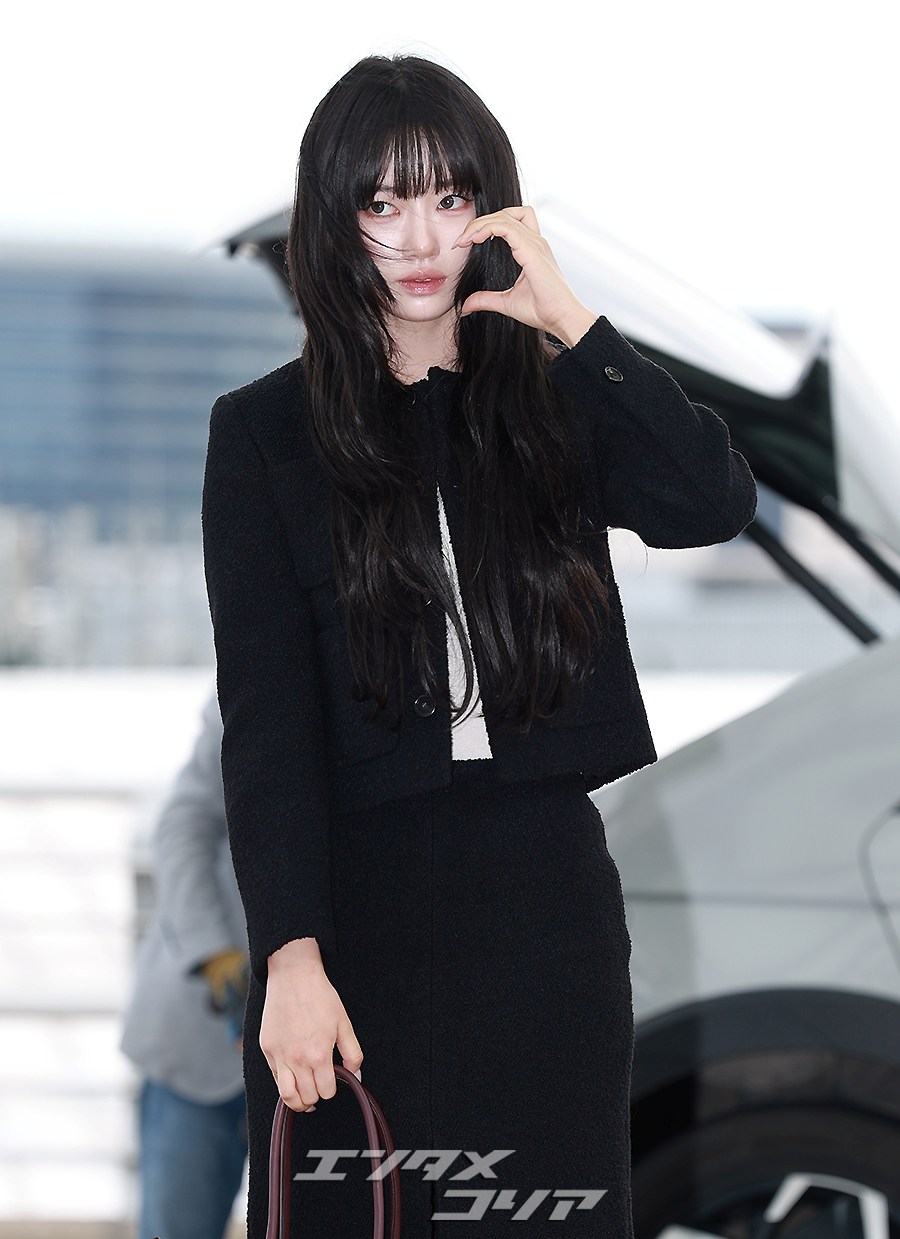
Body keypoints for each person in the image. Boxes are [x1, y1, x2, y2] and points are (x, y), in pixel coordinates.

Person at [201, 53, 757, 1239]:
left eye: (450, 198)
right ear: (336, 218)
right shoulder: (262, 433)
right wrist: (290, 957)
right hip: (351, 922)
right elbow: (266, 727)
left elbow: (711, 503)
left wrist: (575, 323)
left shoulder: (555, 398)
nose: (420, 240)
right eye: (383, 202)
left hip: (544, 911)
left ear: (495, 211)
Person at [120, 688, 250, 1239]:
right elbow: (182, 825)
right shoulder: (247, 685)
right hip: (202, 1038)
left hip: (332, 1052)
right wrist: (215, 955)